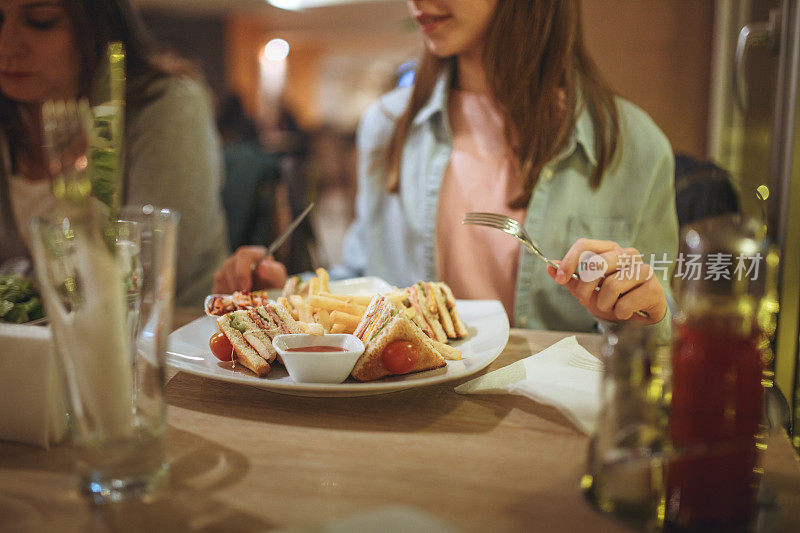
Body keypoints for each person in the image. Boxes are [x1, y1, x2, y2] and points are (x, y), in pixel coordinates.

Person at [218, 0, 678, 339]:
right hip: (405, 414)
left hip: (554, 430)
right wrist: (285, 288)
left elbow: (661, 336)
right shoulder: (387, 127)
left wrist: (645, 309)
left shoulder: (633, 147)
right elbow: (364, 275)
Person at [0, 0, 229, 305]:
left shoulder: (166, 105)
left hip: (168, 341)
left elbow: (147, 272)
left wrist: (19, 287)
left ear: (96, 25)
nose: (7, 44)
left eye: (41, 21)